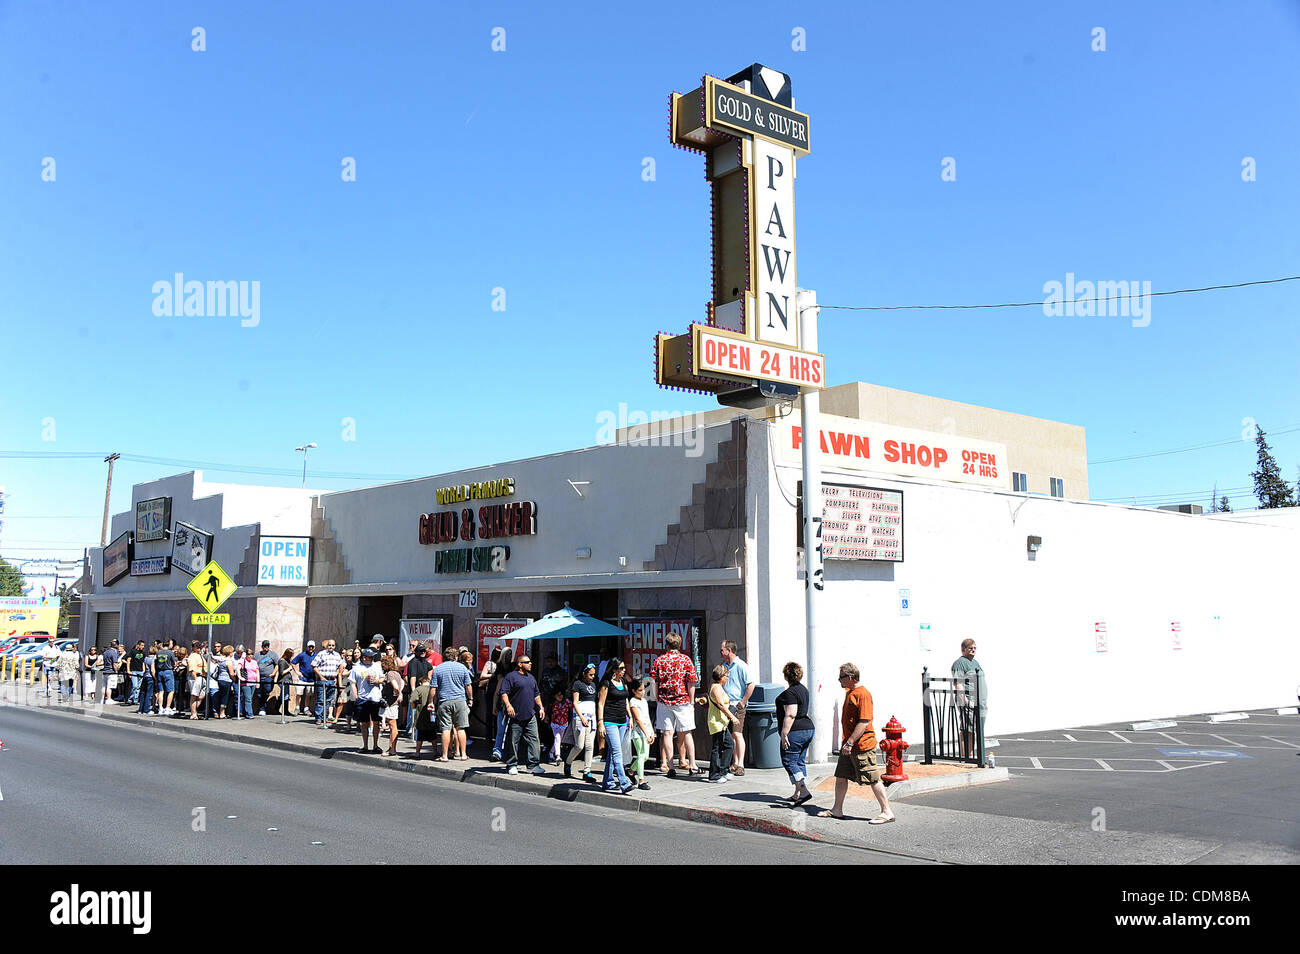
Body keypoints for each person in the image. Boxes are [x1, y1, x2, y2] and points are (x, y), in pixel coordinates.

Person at [819, 662, 894, 824]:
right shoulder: (850, 692)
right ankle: (837, 809)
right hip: (849, 745)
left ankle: (887, 811)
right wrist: (847, 743)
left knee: (872, 778)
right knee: (841, 776)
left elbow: (864, 721)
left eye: (842, 677)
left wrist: (850, 742)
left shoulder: (863, 694)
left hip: (861, 745)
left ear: (851, 677)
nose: (839, 680)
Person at [649, 633, 700, 777]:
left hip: (664, 701)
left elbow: (654, 682)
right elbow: (691, 682)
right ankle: (693, 765)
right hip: (682, 701)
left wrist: (657, 697)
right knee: (687, 732)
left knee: (667, 733)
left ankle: (670, 766)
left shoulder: (659, 661)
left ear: (667, 645)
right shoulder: (686, 660)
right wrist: (691, 700)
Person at [499, 652, 545, 776]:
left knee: (534, 740)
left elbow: (536, 694)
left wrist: (541, 707)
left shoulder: (531, 677)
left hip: (530, 715)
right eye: (527, 662)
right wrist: (508, 706)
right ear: (520, 664)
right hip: (516, 715)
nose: (530, 664)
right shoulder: (511, 677)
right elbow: (504, 693)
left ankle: (533, 765)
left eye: (530, 662)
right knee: (513, 741)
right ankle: (512, 764)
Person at [776, 661, 815, 805]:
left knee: (789, 760)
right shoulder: (803, 689)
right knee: (799, 761)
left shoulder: (790, 693)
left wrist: (784, 733)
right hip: (808, 728)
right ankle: (798, 793)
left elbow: (791, 714)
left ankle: (803, 790)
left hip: (796, 731)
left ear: (786, 676)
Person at [597, 660, 635, 794]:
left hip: (622, 721)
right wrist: (600, 722)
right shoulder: (606, 683)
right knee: (617, 751)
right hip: (609, 721)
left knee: (613, 753)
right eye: (621, 668)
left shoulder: (623, 682)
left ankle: (608, 782)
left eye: (624, 667)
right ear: (614, 669)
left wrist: (630, 716)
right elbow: (601, 704)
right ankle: (624, 782)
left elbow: (625, 700)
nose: (624, 670)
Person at [951, 638, 990, 765]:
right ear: (963, 650)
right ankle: (967, 756)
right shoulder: (960, 663)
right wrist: (965, 700)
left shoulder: (975, 662)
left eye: (974, 648)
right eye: (970, 648)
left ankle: (973, 755)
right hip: (969, 702)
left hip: (980, 703)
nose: (973, 650)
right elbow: (958, 683)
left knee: (976, 729)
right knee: (968, 729)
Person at [431, 649, 474, 762]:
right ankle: (463, 754)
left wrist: (431, 702)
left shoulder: (438, 669)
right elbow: (468, 686)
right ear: (456, 657)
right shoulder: (462, 668)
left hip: (444, 701)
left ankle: (444, 755)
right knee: (460, 728)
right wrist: (470, 699)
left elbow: (433, 688)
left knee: (445, 729)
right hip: (460, 700)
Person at [719, 640, 754, 775]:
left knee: (737, 734)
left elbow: (751, 684)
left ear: (729, 650)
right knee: (730, 735)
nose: (721, 653)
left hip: (737, 704)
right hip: (726, 705)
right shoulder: (724, 666)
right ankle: (734, 762)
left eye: (722, 650)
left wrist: (743, 701)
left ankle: (740, 764)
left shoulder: (741, 666)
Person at [706, 665, 740, 783]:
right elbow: (720, 704)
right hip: (717, 722)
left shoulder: (720, 687)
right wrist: (732, 716)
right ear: (720, 676)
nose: (727, 678)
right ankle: (714, 775)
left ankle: (724, 770)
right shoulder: (716, 687)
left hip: (722, 723)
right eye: (726, 676)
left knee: (729, 744)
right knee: (717, 748)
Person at [564, 663, 598, 781]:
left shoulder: (593, 685)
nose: (592, 677)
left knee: (590, 746)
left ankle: (587, 771)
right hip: (580, 718)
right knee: (579, 745)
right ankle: (568, 762)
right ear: (584, 674)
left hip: (591, 718)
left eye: (594, 674)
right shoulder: (577, 684)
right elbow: (575, 702)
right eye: (590, 674)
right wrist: (581, 717)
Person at [351, 648, 386, 753]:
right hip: (363, 698)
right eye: (370, 657)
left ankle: (376, 745)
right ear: (364, 657)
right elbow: (352, 683)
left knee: (376, 722)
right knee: (364, 723)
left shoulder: (376, 666)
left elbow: (382, 678)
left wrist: (377, 681)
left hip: (375, 697)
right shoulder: (356, 668)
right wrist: (356, 697)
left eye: (372, 657)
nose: (372, 659)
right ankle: (365, 746)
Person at [488, 647, 515, 761]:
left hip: (513, 702)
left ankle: (508, 751)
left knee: (512, 731)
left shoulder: (513, 667)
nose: (510, 656)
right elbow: (497, 691)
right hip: (502, 704)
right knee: (501, 729)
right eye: (508, 654)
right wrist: (494, 705)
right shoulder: (500, 670)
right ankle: (497, 750)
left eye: (511, 654)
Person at [627, 678, 653, 790]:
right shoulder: (633, 701)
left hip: (646, 731)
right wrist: (646, 733)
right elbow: (638, 719)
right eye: (640, 690)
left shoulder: (644, 701)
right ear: (633, 691)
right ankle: (641, 780)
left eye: (643, 690)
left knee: (645, 756)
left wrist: (651, 731)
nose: (642, 692)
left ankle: (631, 771)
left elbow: (647, 718)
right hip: (638, 733)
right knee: (641, 755)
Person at [312, 640, 344, 726]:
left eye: (333, 645)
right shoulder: (322, 654)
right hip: (323, 679)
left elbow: (340, 666)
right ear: (327, 646)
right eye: (329, 645)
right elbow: (314, 665)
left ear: (335, 646)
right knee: (321, 700)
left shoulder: (337, 655)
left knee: (329, 700)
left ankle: (324, 717)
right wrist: (320, 676)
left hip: (332, 680)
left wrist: (336, 678)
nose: (331, 646)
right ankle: (318, 717)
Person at [379, 655, 405, 756]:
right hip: (393, 702)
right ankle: (392, 748)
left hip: (391, 703)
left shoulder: (390, 674)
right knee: (392, 725)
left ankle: (392, 749)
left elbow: (395, 685)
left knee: (392, 726)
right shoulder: (397, 673)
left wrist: (399, 694)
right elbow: (402, 683)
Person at [410, 673, 434, 757]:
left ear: (420, 682)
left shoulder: (418, 689)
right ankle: (436, 752)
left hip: (421, 716)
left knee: (420, 735)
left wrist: (414, 708)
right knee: (433, 734)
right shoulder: (433, 689)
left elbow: (412, 700)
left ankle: (417, 752)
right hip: (432, 715)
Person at [291, 641, 317, 718]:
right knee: (299, 693)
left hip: (311, 679)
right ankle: (297, 708)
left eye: (312, 647)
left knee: (308, 694)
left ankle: (306, 708)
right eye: (309, 647)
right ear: (307, 647)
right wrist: (297, 672)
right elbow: (293, 662)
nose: (311, 648)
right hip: (302, 678)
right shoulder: (302, 655)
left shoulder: (316, 656)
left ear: (314, 647)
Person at [547, 688, 571, 765]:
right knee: (557, 738)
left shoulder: (567, 702)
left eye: (561, 695)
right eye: (558, 695)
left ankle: (551, 752)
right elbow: (547, 711)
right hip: (555, 724)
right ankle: (558, 756)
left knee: (558, 740)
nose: (560, 696)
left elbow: (573, 707)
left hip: (564, 724)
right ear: (554, 696)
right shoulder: (552, 703)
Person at [155, 639, 177, 716]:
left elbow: (156, 661)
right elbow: (174, 662)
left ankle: (160, 708)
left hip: (160, 671)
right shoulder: (170, 652)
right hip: (168, 671)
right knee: (171, 691)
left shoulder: (158, 652)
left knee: (161, 691)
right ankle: (167, 707)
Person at [187, 641, 208, 719]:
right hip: (196, 677)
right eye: (197, 647)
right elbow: (192, 668)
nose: (198, 648)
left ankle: (195, 710)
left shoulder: (200, 656)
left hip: (203, 677)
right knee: (194, 696)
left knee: (201, 696)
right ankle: (193, 713)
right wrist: (195, 678)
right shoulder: (192, 656)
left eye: (199, 647)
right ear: (193, 648)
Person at [256, 641, 278, 715]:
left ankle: (263, 707)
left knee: (267, 690)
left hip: (269, 677)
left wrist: (274, 673)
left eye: (267, 646)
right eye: (265, 646)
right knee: (259, 693)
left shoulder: (273, 654)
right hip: (259, 677)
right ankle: (262, 708)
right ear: (262, 646)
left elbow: (277, 664)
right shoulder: (257, 655)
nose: (266, 648)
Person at [138, 642, 158, 714]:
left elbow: (143, 668)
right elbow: (152, 670)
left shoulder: (146, 658)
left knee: (143, 693)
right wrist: (155, 678)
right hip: (150, 677)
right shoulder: (153, 659)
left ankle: (141, 709)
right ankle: (147, 710)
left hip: (145, 676)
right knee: (149, 694)